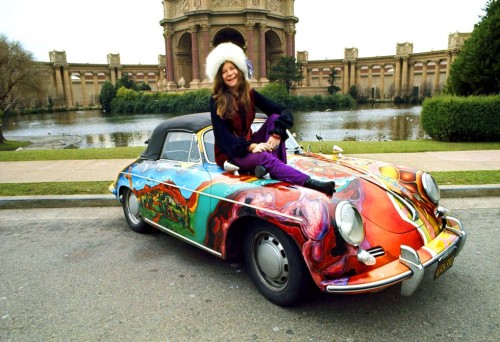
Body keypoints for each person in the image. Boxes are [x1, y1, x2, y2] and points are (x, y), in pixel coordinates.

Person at [205, 42, 336, 196]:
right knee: (264, 156)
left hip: (248, 145)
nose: (229, 73)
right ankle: (312, 183)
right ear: (220, 77)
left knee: (275, 118)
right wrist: (252, 147)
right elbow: (223, 138)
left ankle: (273, 170)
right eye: (224, 71)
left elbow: (284, 111)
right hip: (230, 154)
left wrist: (277, 133)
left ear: (240, 70)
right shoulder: (216, 100)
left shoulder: (250, 94)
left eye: (232, 68)